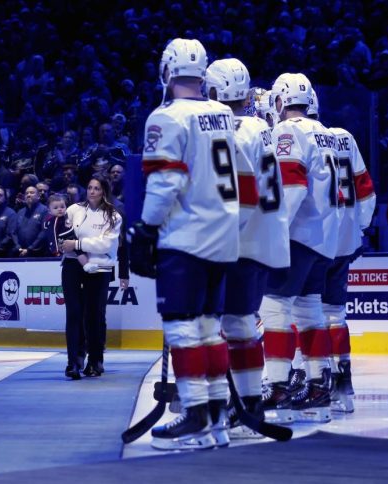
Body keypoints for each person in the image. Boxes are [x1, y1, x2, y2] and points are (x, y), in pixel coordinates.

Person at [129, 39, 239, 451]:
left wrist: (144, 229)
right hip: (222, 235)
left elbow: (166, 181)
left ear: (167, 72)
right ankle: (216, 417)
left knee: (183, 327)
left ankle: (195, 415)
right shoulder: (224, 114)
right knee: (211, 328)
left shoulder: (167, 117)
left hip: (186, 235)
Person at [205, 58, 287, 441]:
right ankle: (249, 403)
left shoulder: (232, 130)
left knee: (228, 324)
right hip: (265, 235)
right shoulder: (263, 127)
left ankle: (236, 405)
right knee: (243, 323)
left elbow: (236, 191)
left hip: (239, 238)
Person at [259, 73, 341, 425]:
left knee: (275, 310)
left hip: (296, 234)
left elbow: (291, 186)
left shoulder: (288, 131)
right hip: (323, 236)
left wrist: (272, 233)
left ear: (280, 101)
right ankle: (319, 387)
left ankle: (277, 387)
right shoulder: (328, 133)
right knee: (311, 312)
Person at [310, 90, 376, 413]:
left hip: (315, 240)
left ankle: (314, 384)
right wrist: (358, 228)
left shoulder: (301, 137)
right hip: (345, 238)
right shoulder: (344, 137)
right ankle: (343, 386)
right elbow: (365, 187)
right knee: (335, 314)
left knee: (302, 314)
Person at [61, 175, 127, 379]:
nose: (92, 191)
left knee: (94, 315)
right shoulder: (74, 210)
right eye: (89, 187)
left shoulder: (114, 216)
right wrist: (75, 247)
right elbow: (66, 238)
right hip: (72, 264)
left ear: (104, 191)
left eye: (97, 188)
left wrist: (79, 244)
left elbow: (107, 245)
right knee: (74, 313)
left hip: (100, 268)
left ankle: (95, 360)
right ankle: (74, 361)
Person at [14, 186, 49, 257]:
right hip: (21, 252)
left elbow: (44, 232)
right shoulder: (20, 212)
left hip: (38, 253)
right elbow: (14, 231)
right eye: (26, 193)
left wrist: (30, 248)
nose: (29, 195)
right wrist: (18, 247)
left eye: (32, 193)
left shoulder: (44, 210)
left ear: (38, 196)